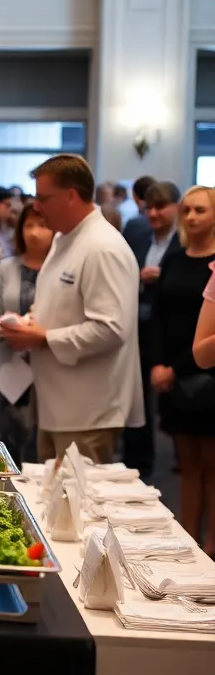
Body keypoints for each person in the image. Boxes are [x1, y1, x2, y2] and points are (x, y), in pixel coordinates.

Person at [0, 154, 143, 464]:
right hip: (57, 402)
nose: (35, 206)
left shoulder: (103, 247)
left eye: (43, 198)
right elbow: (54, 304)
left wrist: (44, 337)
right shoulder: (66, 240)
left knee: (81, 507)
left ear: (72, 195)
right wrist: (27, 322)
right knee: (52, 503)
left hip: (88, 409)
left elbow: (112, 328)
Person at [148, 186, 215, 554]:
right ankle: (189, 535)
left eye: (200, 210)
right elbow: (157, 316)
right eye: (187, 209)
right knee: (186, 463)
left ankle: (212, 542)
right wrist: (159, 364)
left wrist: (176, 367)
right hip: (172, 371)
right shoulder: (174, 259)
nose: (191, 217)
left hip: (206, 372)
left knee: (212, 465)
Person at [0, 201, 54, 466]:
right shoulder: (7, 267)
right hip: (7, 367)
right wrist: (10, 330)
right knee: (4, 447)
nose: (34, 232)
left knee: (42, 453)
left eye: (42, 225)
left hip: (48, 367)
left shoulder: (60, 269)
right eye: (28, 225)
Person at [123, 181, 182, 477]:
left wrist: (164, 276)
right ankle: (138, 458)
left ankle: (181, 455)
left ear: (176, 208)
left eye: (161, 207)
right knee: (136, 391)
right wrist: (138, 277)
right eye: (149, 208)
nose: (154, 214)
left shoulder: (184, 240)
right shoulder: (137, 234)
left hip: (171, 325)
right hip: (137, 321)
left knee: (168, 391)